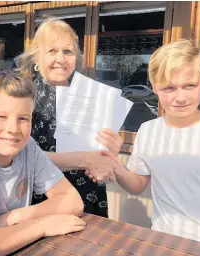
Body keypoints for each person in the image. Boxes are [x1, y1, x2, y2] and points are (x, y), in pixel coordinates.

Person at [100, 39, 200, 250]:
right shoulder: (148, 130)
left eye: (189, 86)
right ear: (154, 86)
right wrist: (114, 162)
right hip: (161, 243)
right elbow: (138, 184)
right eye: (169, 88)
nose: (180, 97)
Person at [0, 70, 87, 255]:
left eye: (23, 118)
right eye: (1, 117)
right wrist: (41, 225)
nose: (13, 129)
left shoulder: (28, 149)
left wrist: (13, 218)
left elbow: (72, 201)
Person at [14, 17, 122, 217]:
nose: (61, 59)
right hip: (48, 200)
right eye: (52, 50)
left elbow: (99, 154)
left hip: (91, 196)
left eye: (68, 51)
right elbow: (21, 157)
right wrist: (85, 160)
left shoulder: (90, 95)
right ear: (36, 58)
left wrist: (110, 150)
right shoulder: (24, 96)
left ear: (77, 58)